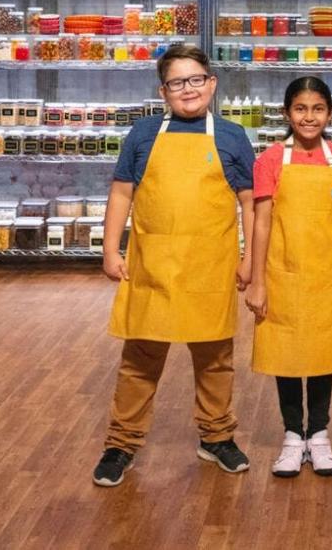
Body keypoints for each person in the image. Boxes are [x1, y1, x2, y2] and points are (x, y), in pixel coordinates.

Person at [92, 44, 255, 487]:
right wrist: (111, 248)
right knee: (140, 360)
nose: (188, 89)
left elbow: (249, 203)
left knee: (215, 358)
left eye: (196, 79)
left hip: (211, 268)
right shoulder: (144, 134)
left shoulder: (232, 136)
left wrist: (250, 258)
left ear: (212, 84)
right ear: (163, 91)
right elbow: (123, 192)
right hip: (153, 267)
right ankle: (120, 444)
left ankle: (217, 437)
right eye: (177, 82)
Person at [245, 76, 332, 478]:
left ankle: (320, 435)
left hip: (326, 276)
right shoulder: (270, 160)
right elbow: (261, 223)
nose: (309, 118)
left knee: (323, 352)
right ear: (286, 113)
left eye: (317, 109)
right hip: (281, 273)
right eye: (300, 109)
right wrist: (257, 281)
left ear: (330, 113)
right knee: (286, 355)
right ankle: (293, 436)